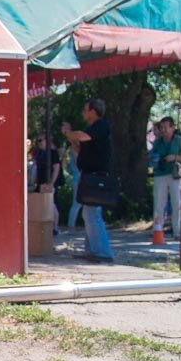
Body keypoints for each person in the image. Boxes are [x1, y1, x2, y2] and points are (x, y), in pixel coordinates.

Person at [61, 98, 114, 263]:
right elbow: (79, 147)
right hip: (88, 174)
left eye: (85, 109)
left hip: (96, 176)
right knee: (88, 213)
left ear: (93, 111)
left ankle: (103, 251)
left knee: (92, 213)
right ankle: (92, 249)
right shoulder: (91, 129)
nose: (83, 113)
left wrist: (69, 133)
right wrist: (71, 138)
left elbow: (81, 136)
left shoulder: (100, 126)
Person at [149, 116, 181, 241]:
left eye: (166, 127)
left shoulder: (179, 141)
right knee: (159, 204)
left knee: (177, 203)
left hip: (174, 175)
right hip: (160, 174)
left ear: (172, 128)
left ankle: (178, 232)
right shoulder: (157, 142)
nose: (164, 130)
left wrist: (175, 157)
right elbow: (151, 157)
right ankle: (157, 230)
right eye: (162, 128)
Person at [33, 135, 63, 234]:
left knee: (52, 204)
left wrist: (51, 183)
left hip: (49, 182)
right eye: (38, 141)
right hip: (40, 182)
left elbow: (56, 168)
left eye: (41, 140)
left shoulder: (53, 153)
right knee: (43, 204)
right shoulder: (40, 153)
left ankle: (55, 227)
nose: (39, 143)